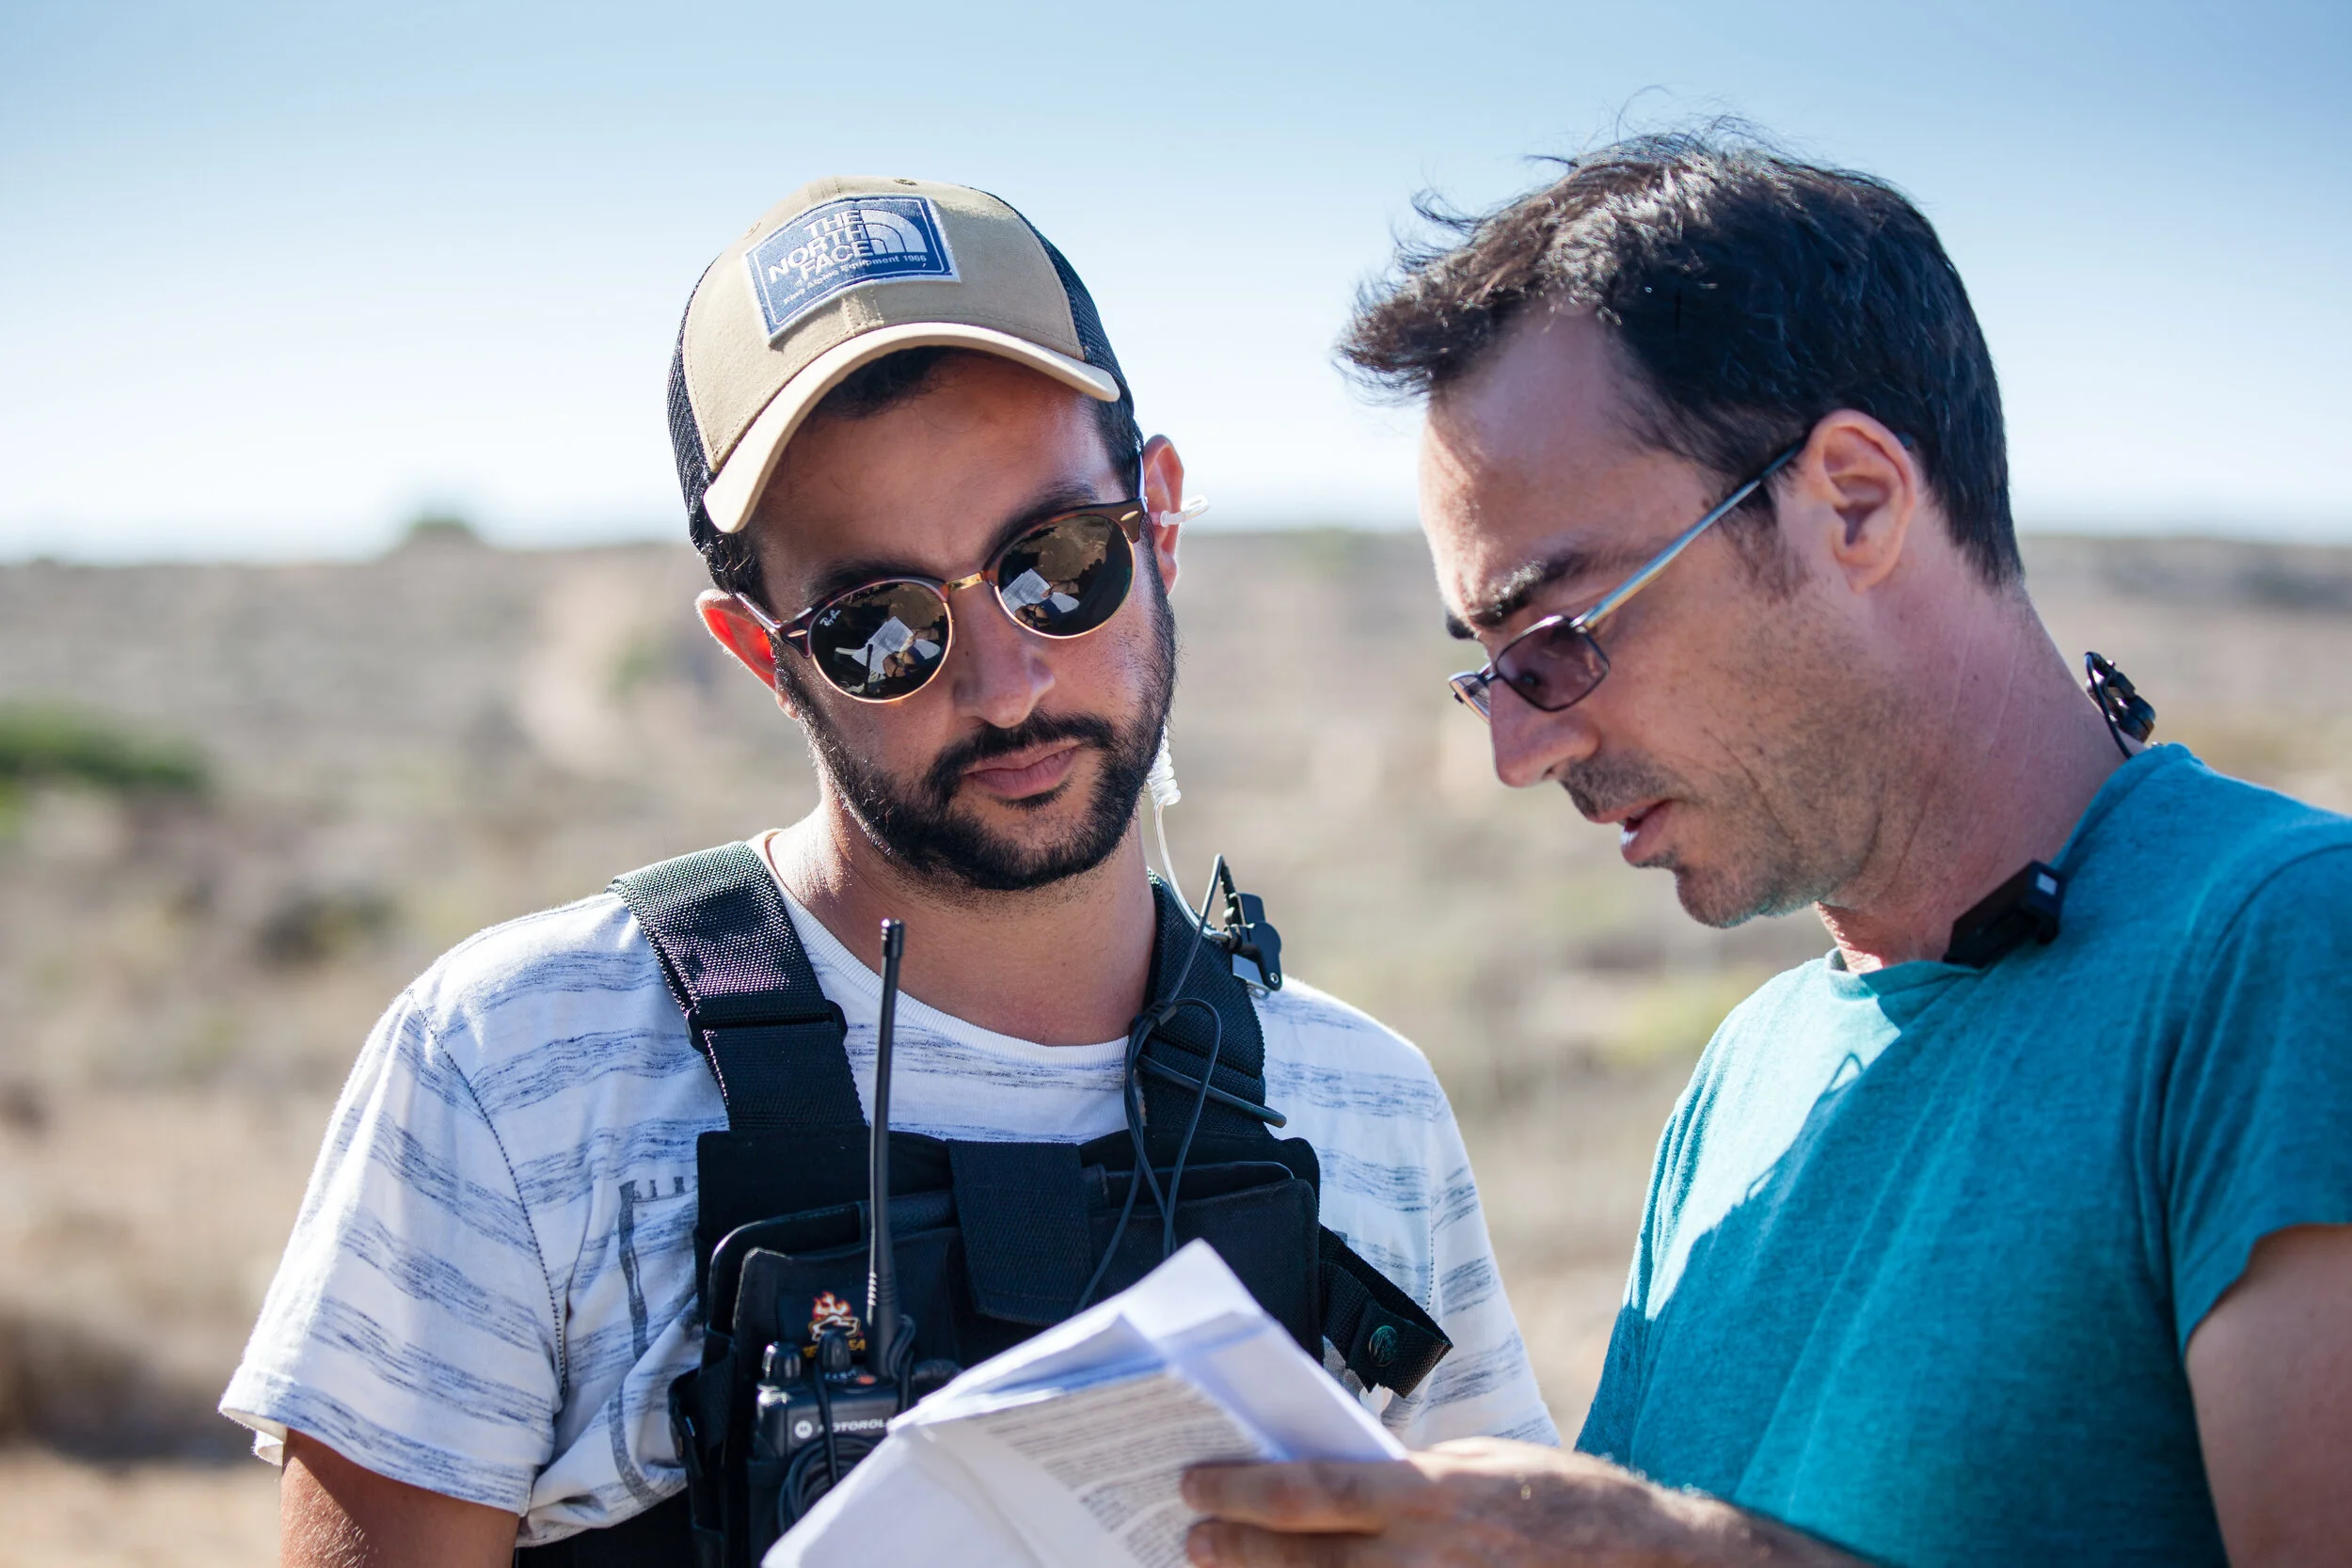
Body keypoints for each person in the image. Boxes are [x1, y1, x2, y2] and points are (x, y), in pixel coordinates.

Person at [223, 177, 1555, 1567]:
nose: (1004, 682)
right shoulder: (515, 1071)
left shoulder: (1364, 1108)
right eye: (880, 627)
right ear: (762, 653)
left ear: (1158, 522)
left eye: (1058, 564)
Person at [1182, 133, 2352, 1567]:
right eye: (1492, 672)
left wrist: (1665, 1553)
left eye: (1558, 636)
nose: (1518, 751)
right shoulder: (1752, 1071)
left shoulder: (2292, 948)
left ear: (1854, 499)